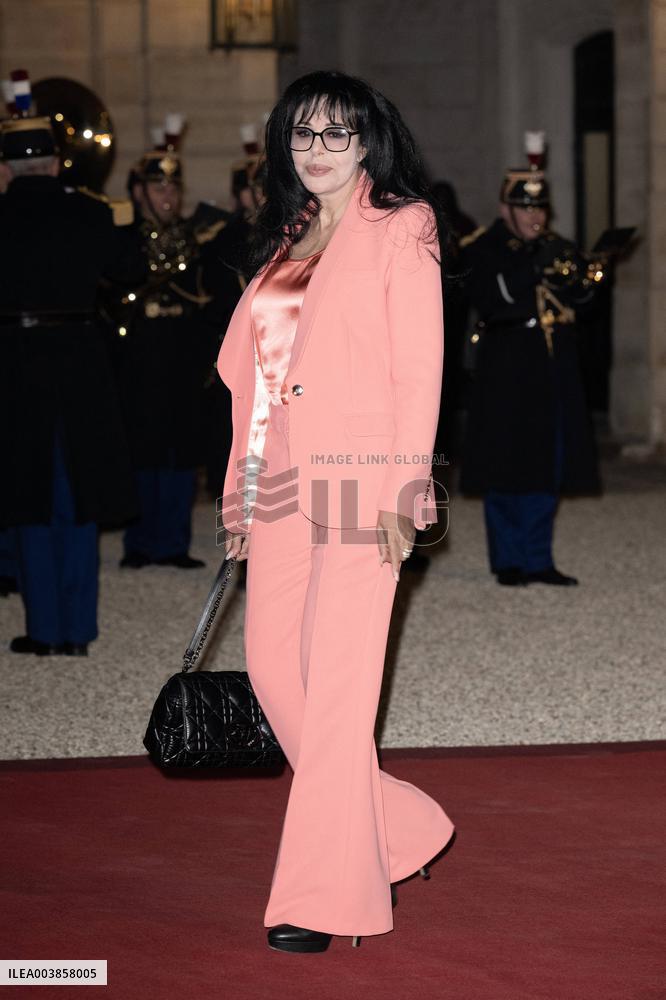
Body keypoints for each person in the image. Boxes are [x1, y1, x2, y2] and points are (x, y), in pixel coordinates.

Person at [216, 70, 454, 953]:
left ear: (368, 142)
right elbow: (258, 386)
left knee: (341, 691)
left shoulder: (405, 224)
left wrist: (406, 486)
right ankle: (400, 829)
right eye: (303, 134)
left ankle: (323, 900)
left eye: (337, 134)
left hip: (363, 481)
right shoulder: (287, 235)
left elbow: (418, 366)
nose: (317, 150)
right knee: (276, 668)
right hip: (278, 482)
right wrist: (240, 490)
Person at [0, 73, 137, 655]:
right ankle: (79, 633)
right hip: (81, 361)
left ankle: (45, 629)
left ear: (7, 168)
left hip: (16, 364)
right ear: (56, 163)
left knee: (29, 499)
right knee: (76, 496)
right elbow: (131, 273)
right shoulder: (95, 212)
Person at [459, 135, 603, 586]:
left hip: (551, 365)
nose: (535, 216)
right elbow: (494, 296)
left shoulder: (555, 244)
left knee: (547, 463)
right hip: (506, 365)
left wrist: (591, 272)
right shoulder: (482, 247)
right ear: (506, 209)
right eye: (525, 208)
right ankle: (508, 560)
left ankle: (539, 559)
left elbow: (581, 302)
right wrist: (534, 265)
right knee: (507, 462)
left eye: (540, 209)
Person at [103, 124, 240, 570]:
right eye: (158, 186)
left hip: (183, 358)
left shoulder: (198, 239)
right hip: (139, 361)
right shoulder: (124, 238)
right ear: (139, 191)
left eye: (172, 186)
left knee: (182, 453)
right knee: (142, 451)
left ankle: (173, 543)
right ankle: (140, 543)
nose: (167, 195)